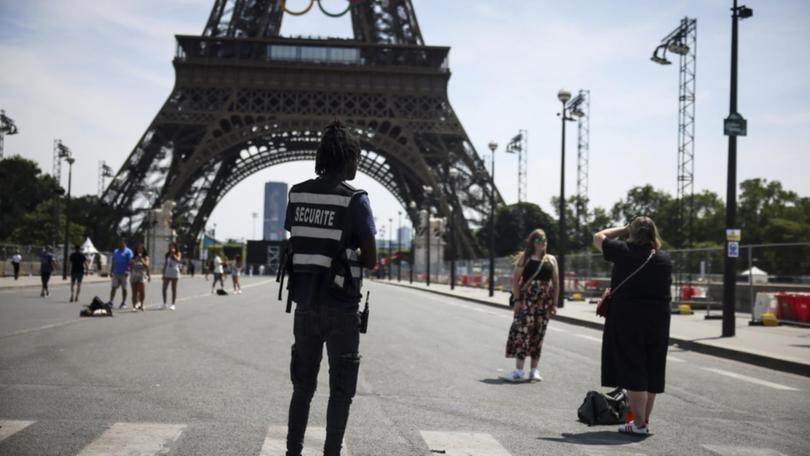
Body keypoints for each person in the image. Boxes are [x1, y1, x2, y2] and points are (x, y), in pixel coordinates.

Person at [283, 121, 377, 456]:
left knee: (302, 387)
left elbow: (298, 243)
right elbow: (371, 260)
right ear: (348, 158)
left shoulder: (298, 193)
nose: (358, 164)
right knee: (341, 390)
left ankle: (292, 452)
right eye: (357, 157)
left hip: (305, 304)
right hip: (341, 308)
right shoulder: (356, 199)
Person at [593, 216, 672, 435]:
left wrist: (624, 228)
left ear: (633, 233)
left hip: (628, 320)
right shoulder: (664, 258)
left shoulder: (623, 252)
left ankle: (638, 424)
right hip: (659, 321)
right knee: (652, 369)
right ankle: (643, 421)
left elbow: (599, 236)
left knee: (633, 368)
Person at [502, 229, 559, 382]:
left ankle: (534, 370)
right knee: (522, 334)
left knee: (538, 335)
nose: (543, 244)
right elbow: (515, 281)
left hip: (544, 304)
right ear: (533, 243)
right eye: (540, 241)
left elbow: (556, 283)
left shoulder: (551, 260)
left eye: (545, 241)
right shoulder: (524, 259)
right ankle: (519, 371)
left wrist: (554, 303)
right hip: (526, 302)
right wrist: (517, 300)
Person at [110, 239, 133, 308]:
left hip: (124, 273)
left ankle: (123, 302)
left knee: (124, 288)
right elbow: (113, 261)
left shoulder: (128, 251)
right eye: (119, 243)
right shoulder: (116, 251)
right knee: (113, 287)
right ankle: (111, 301)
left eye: (122, 243)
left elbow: (131, 262)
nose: (120, 244)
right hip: (116, 272)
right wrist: (111, 271)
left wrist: (128, 270)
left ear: (125, 243)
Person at [129, 243, 150, 311]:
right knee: (134, 292)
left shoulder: (146, 257)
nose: (140, 251)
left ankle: (142, 304)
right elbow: (130, 265)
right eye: (138, 249)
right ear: (136, 250)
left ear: (143, 250)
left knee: (142, 291)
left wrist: (142, 260)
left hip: (142, 276)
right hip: (134, 275)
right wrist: (135, 260)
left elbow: (147, 266)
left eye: (141, 249)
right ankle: (134, 306)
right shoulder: (133, 257)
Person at [162, 242, 182, 310]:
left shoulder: (178, 253)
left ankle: (173, 304)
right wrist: (163, 273)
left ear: (175, 247)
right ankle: (164, 304)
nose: (171, 248)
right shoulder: (167, 254)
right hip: (167, 272)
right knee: (164, 288)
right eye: (170, 247)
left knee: (173, 289)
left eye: (173, 247)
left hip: (174, 272)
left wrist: (173, 254)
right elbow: (165, 264)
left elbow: (178, 260)